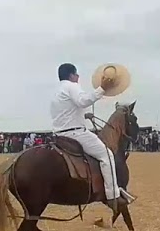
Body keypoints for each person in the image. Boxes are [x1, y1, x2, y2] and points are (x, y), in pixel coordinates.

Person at [50, 62, 131, 212]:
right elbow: (83, 101)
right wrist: (102, 89)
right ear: (71, 75)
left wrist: (83, 115)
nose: (78, 77)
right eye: (76, 74)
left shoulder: (57, 91)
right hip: (75, 133)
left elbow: (68, 110)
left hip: (59, 134)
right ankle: (112, 195)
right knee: (107, 155)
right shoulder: (72, 86)